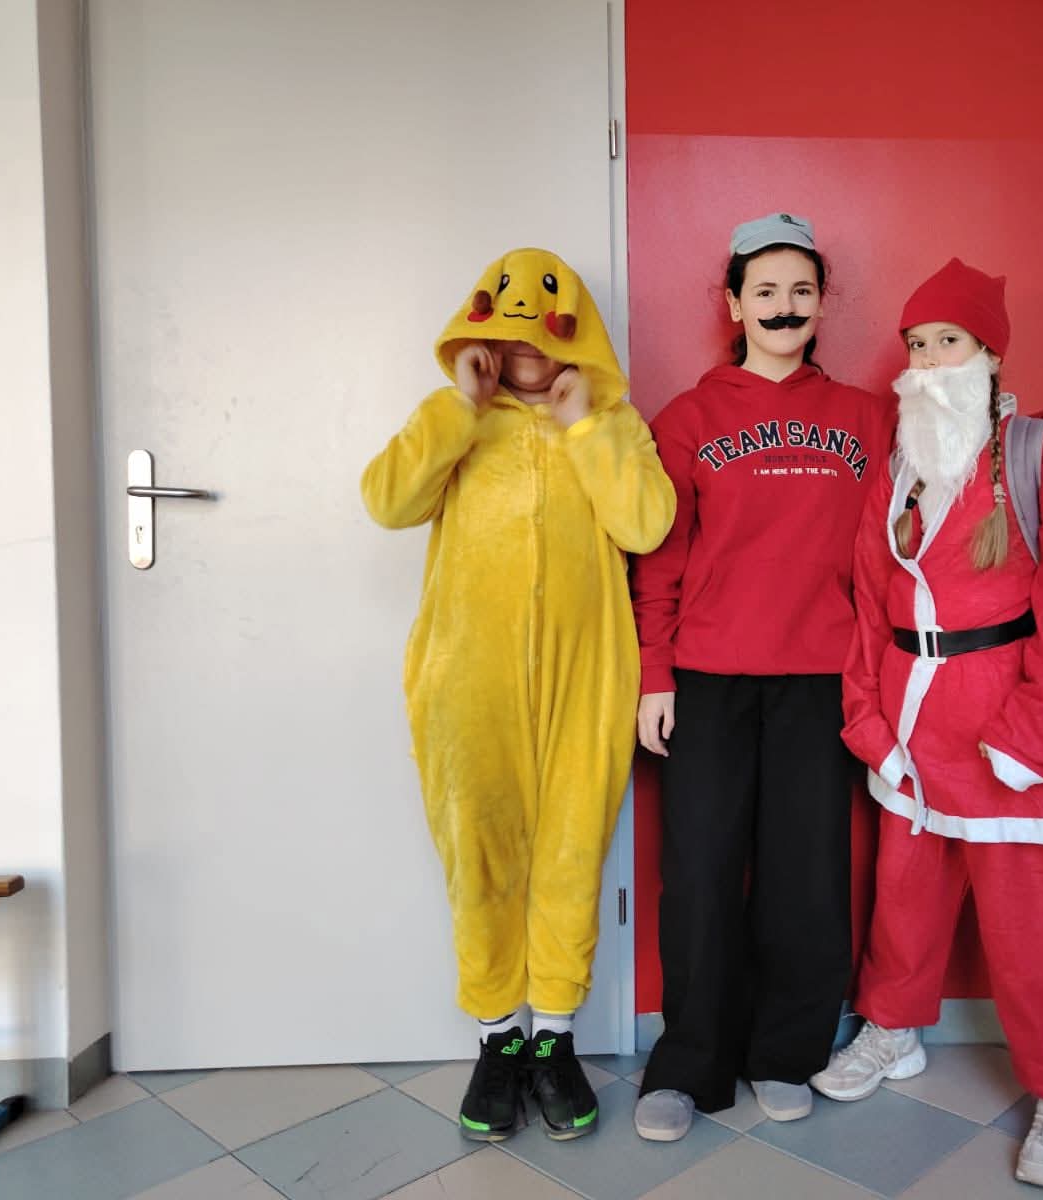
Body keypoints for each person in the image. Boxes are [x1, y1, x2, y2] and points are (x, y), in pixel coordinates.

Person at [629, 219, 1043, 1143]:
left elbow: (963, 435)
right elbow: (661, 561)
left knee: (809, 880)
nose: (784, 307)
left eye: (801, 291)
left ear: (820, 304)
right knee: (700, 876)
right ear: (733, 304)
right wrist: (655, 673)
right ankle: (689, 1066)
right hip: (708, 678)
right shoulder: (684, 419)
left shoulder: (866, 416)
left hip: (823, 679)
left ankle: (785, 1054)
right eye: (765, 291)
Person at [811, 258, 1043, 1193]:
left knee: (1035, 925)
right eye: (916, 345)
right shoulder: (897, 467)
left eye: (947, 342)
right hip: (914, 717)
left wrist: (1033, 734)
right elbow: (868, 602)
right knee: (905, 896)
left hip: (1012, 726)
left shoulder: (1042, 456)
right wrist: (869, 719)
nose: (927, 361)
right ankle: (893, 1029)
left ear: (988, 354)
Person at [361, 248, 675, 1143]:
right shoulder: (460, 418)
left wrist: (585, 428)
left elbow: (646, 522)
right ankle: (498, 1036)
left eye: (545, 326)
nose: (528, 345)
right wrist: (458, 407)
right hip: (469, 678)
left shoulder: (613, 422)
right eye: (509, 328)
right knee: (480, 850)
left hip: (587, 677)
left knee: (574, 850)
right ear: (482, 335)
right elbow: (387, 501)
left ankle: (555, 1038)